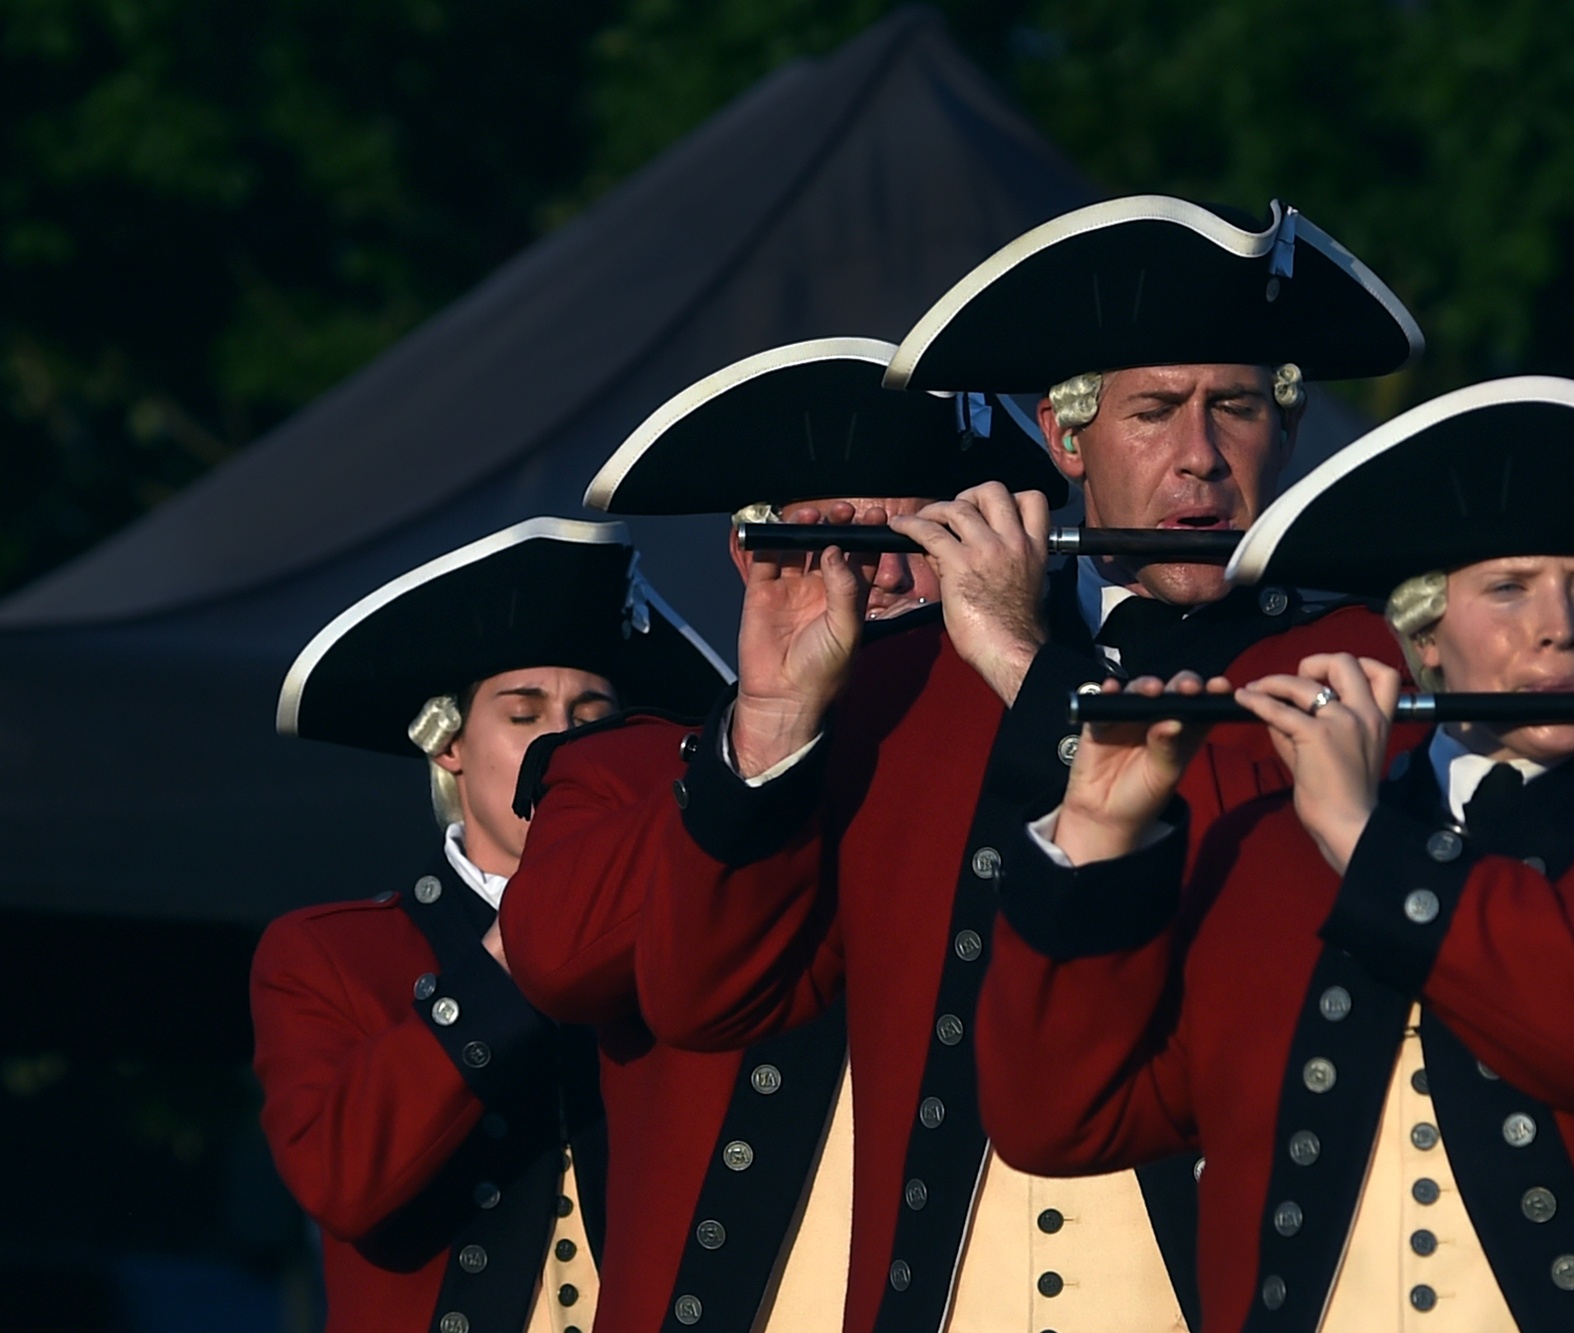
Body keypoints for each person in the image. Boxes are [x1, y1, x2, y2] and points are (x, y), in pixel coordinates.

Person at [635, 195, 1425, 1332]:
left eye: (1238, 409)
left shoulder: (1348, 662)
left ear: (1286, 435)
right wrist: (768, 721)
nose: (1201, 458)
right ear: (1064, 441)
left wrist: (1022, 663)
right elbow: (707, 995)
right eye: (1154, 412)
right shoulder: (906, 682)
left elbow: (1260, 878)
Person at [975, 376, 1574, 1331]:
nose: (1560, 625)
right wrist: (1098, 840)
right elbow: (1057, 1118)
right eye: (1509, 588)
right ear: (1426, 631)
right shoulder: (1263, 858)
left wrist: (1362, 835)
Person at [500, 337, 1069, 1332]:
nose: (872, 571)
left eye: (913, 531)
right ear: (746, 555)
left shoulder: (1028, 747)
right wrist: (763, 735)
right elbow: (558, 960)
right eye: (824, 539)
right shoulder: (626, 769)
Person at [251, 517, 729, 1333]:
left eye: (593, 715)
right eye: (524, 712)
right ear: (449, 746)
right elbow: (338, 1177)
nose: (564, 744)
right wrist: (525, 948)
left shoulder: (687, 949)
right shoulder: (329, 953)